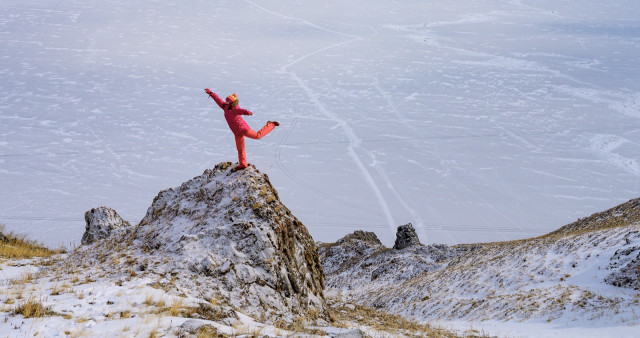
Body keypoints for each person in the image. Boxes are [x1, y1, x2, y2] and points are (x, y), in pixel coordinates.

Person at [204, 89, 279, 170]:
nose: (225, 102)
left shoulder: (234, 109)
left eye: (227, 101)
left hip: (243, 129)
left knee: (258, 136)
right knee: (240, 149)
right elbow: (218, 100)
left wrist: (246, 112)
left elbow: (240, 111)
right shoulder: (225, 107)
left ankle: (271, 124)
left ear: (232, 103)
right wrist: (211, 94)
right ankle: (243, 164)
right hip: (236, 132)